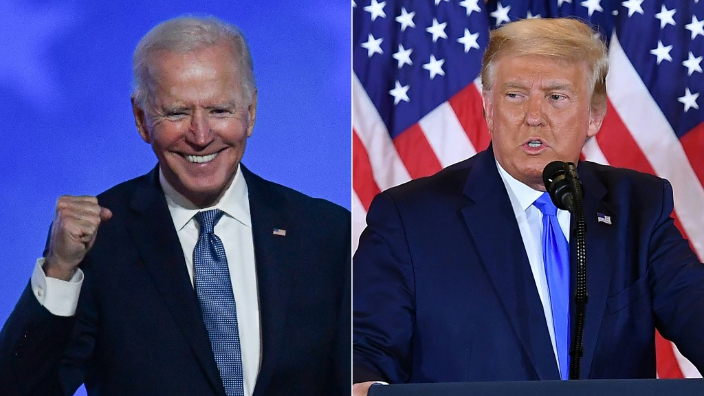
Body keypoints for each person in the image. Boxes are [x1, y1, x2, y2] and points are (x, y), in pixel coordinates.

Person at [0, 16, 350, 396]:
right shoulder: (101, 239)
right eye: (178, 112)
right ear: (141, 119)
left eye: (219, 110)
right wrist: (59, 270)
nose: (201, 136)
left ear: (250, 112)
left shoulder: (326, 234)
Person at [353, 17, 704, 395]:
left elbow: (695, 313)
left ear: (594, 116)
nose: (533, 116)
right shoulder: (409, 218)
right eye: (515, 95)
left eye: (556, 97)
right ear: (488, 107)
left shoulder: (637, 206)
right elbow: (364, 352)